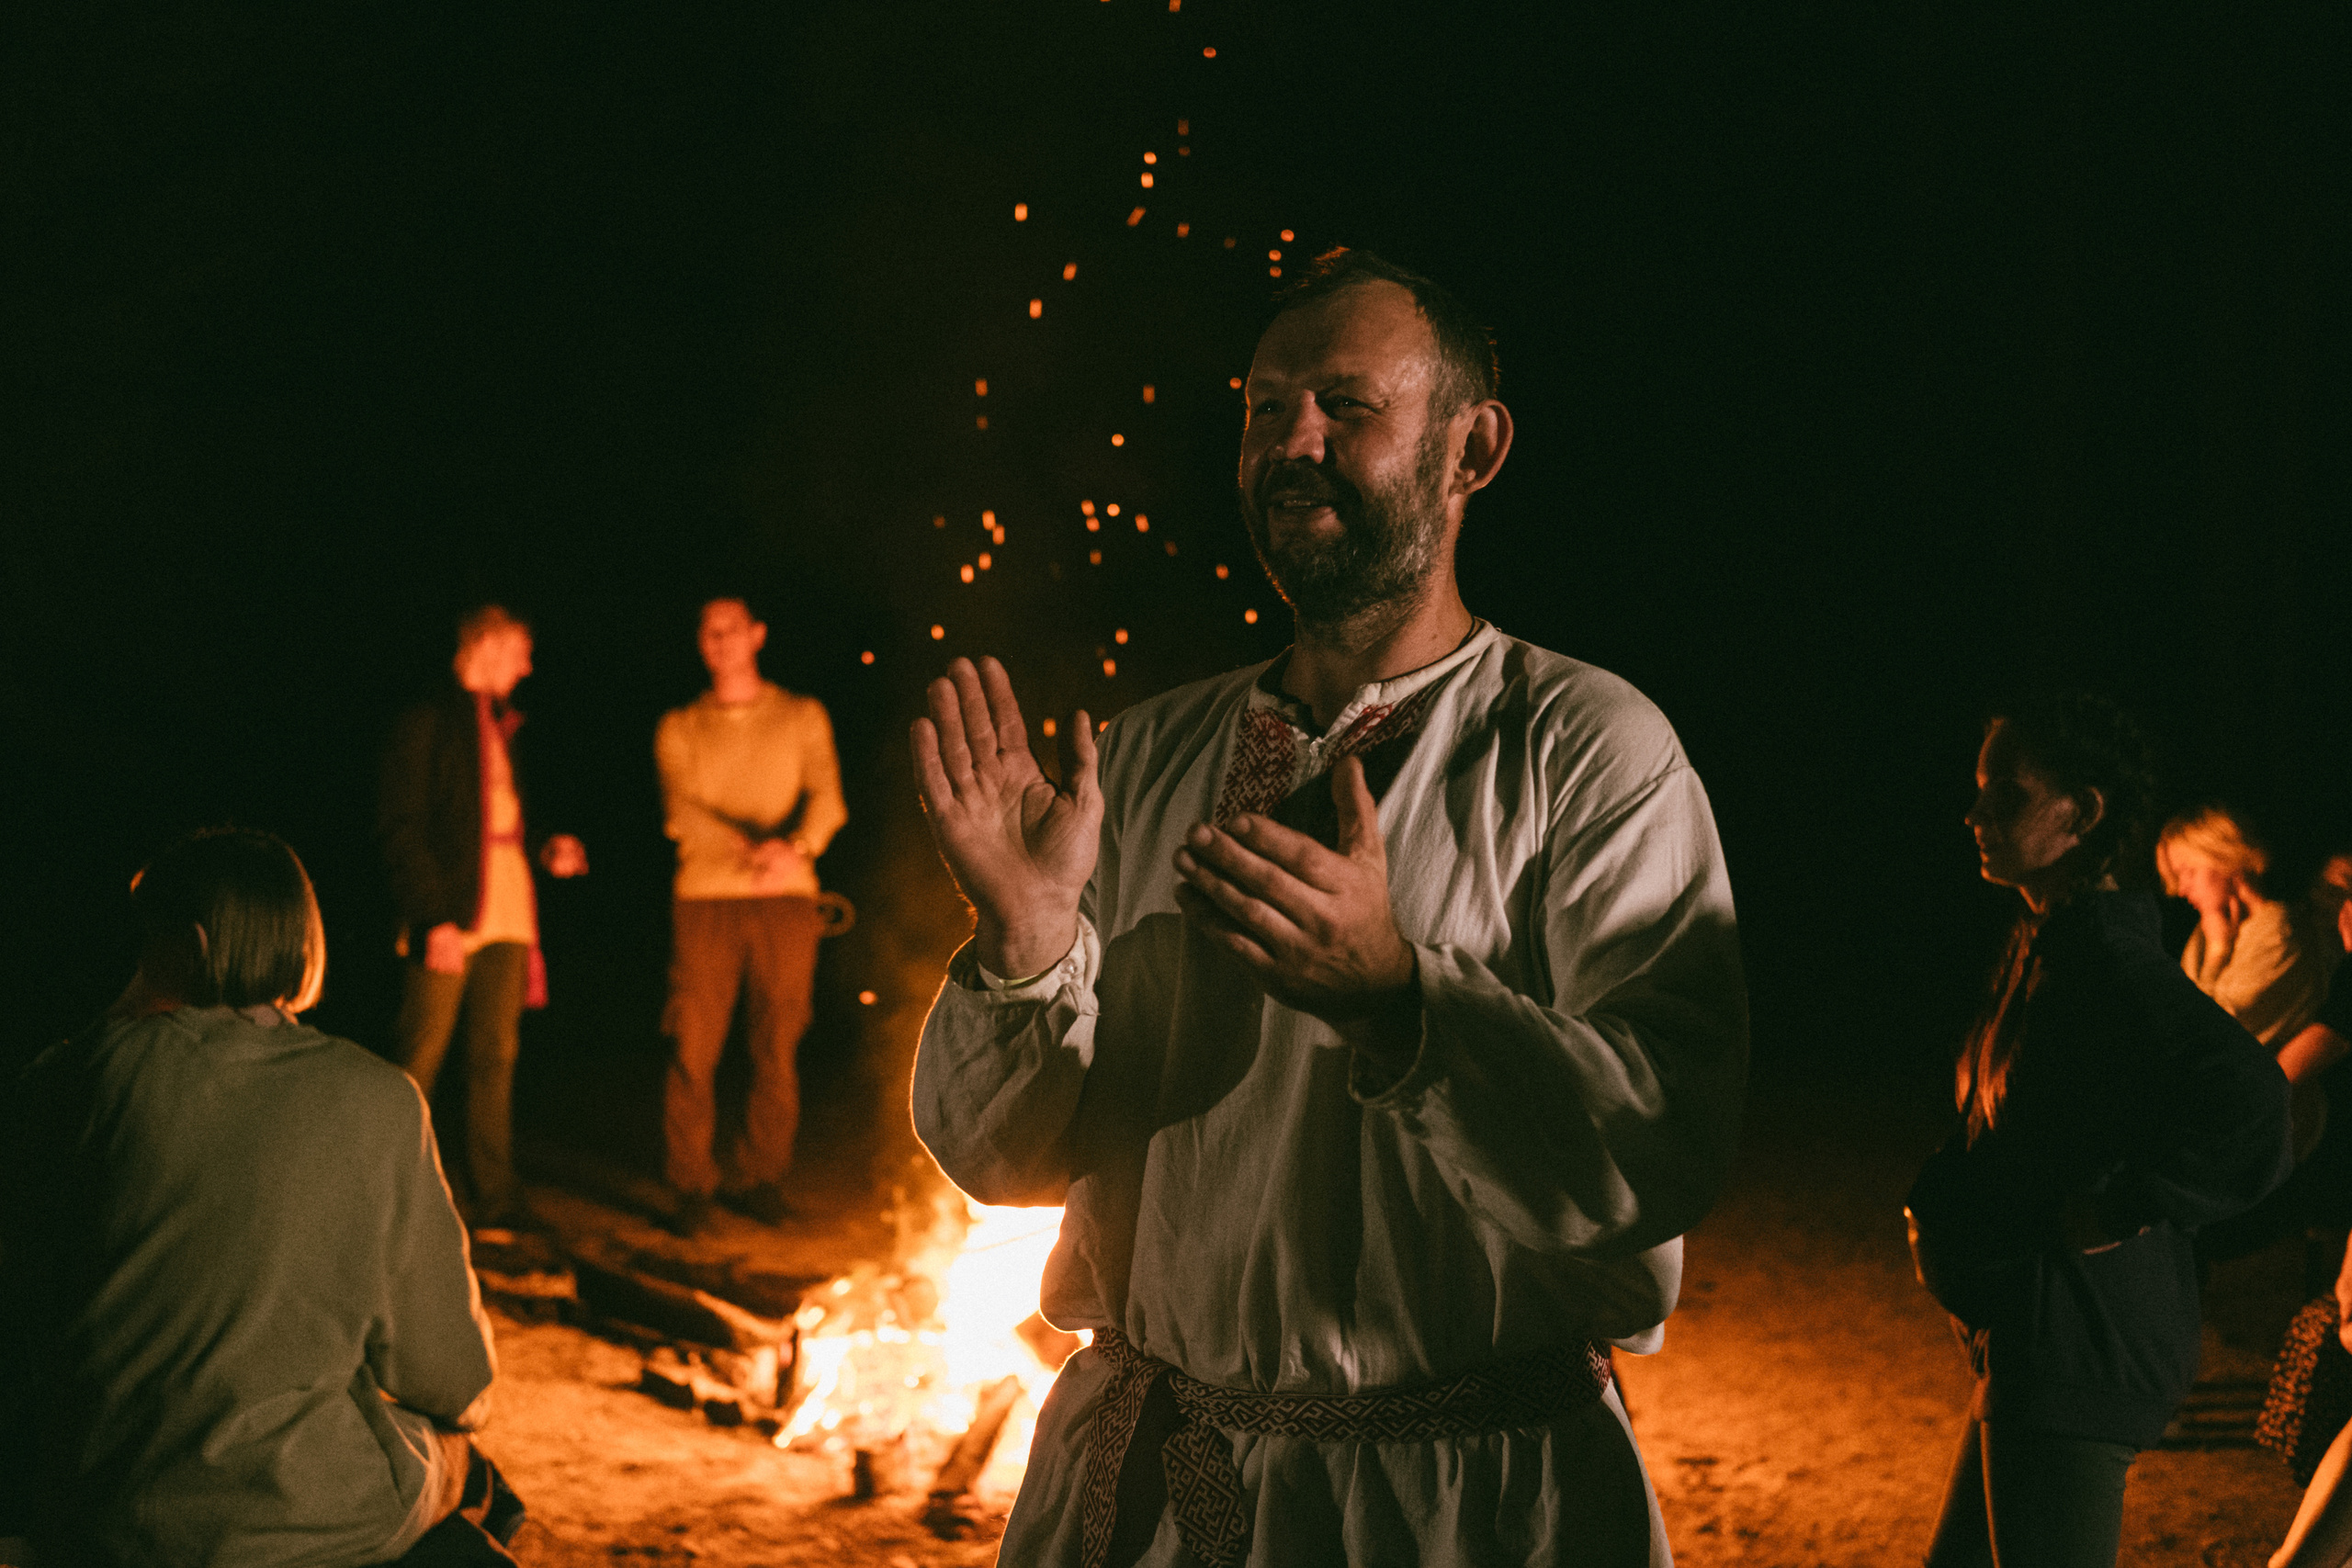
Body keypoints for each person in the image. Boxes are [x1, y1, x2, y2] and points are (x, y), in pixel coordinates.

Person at [910, 249, 1747, 1566]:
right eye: (1263, 408)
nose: (1292, 441)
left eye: (1345, 406)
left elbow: (1655, 1147)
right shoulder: (1138, 757)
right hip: (1156, 1493)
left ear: (1472, 448)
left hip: (1461, 1513)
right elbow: (1002, 1161)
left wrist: (1402, 1002)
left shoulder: (1589, 747)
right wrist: (1020, 943)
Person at [0, 829, 512, 1566]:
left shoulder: (72, 1078)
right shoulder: (377, 1098)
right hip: (295, 1512)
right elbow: (452, 1376)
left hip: (95, 1499)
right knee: (456, 1454)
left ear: (187, 943)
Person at [1909, 694, 2292, 1568]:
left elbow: (2254, 1100)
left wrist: (2122, 1206)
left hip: (2079, 1349)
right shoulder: (2053, 945)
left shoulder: (2109, 966)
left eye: (2005, 795)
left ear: (2080, 814)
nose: (1975, 815)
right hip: (2036, 1344)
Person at [378, 604, 588, 1230]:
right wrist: (433, 917)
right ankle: (386, 1192)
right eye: (520, 651)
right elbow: (402, 826)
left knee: (496, 1054)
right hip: (453, 915)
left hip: (509, 910)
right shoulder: (428, 719)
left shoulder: (502, 726)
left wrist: (546, 845)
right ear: (487, 645)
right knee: (420, 1053)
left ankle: (494, 1193)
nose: (527, 666)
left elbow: (496, 821)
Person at [654, 596, 847, 1234]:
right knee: (693, 1044)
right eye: (707, 631)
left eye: (731, 629)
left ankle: (760, 1175)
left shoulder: (800, 714)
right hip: (706, 898)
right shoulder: (680, 725)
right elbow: (681, 810)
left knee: (778, 1043)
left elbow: (828, 797)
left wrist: (794, 849)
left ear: (757, 634)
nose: (718, 640)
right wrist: (752, 848)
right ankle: (690, 1185)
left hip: (787, 899)